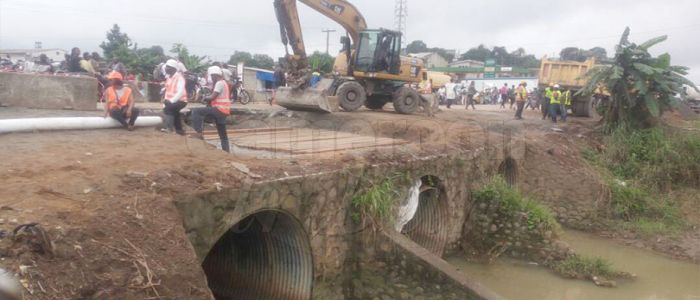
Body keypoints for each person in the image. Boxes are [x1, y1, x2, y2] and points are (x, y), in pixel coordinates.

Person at [191, 66, 231, 152]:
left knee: (196, 111)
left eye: (212, 76)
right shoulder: (224, 83)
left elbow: (213, 97)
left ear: (215, 75)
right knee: (222, 134)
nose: (211, 79)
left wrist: (204, 98)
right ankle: (226, 152)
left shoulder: (219, 83)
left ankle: (198, 133)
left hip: (219, 110)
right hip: (224, 111)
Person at [162, 59, 188, 135]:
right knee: (175, 113)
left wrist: (171, 101)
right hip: (171, 100)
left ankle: (169, 129)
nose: (166, 68)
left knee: (169, 109)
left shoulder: (179, 78)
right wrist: (165, 101)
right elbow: (168, 90)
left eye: (168, 67)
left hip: (181, 101)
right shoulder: (168, 77)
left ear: (174, 68)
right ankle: (179, 130)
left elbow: (180, 92)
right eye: (166, 66)